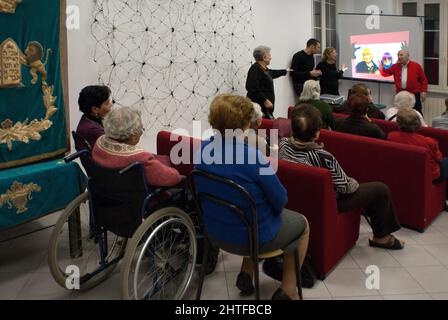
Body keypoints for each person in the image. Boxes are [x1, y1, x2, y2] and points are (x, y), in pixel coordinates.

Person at [195, 94, 310, 300]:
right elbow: (281, 199)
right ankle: (289, 288)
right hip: (254, 238)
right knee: (303, 224)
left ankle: (247, 273)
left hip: (215, 233)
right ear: (246, 123)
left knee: (248, 213)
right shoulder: (252, 156)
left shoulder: (202, 149)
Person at [280, 104, 404, 250]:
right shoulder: (323, 156)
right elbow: (346, 187)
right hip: (329, 202)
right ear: (316, 134)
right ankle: (382, 237)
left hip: (296, 199)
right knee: (380, 189)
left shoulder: (283, 144)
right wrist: (354, 181)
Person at [92, 106, 182, 188]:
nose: (141, 132)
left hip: (105, 193)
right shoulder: (140, 158)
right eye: (141, 129)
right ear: (133, 136)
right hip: (133, 199)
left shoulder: (99, 143)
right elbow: (173, 178)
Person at [388, 109, 448, 184]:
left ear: (398, 123)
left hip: (404, 170)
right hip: (429, 176)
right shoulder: (429, 142)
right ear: (418, 123)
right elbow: (439, 158)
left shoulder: (391, 136)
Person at [379, 49, 428, 115]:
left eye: (401, 55)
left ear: (407, 56)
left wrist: (423, 91)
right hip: (400, 94)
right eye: (398, 55)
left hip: (414, 94)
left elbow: (424, 80)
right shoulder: (395, 66)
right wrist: (381, 67)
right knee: (400, 113)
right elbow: (385, 73)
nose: (399, 57)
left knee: (417, 113)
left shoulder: (416, 66)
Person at [246, 46, 288, 119]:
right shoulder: (255, 69)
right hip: (260, 107)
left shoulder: (263, 68)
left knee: (266, 128)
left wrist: (285, 71)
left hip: (265, 108)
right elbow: (252, 87)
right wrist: (265, 101)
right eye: (269, 55)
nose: (271, 58)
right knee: (263, 129)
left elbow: (271, 73)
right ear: (264, 57)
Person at [75, 85, 113, 150]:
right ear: (95, 109)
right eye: (107, 103)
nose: (111, 105)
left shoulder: (87, 119)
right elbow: (115, 150)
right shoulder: (93, 130)